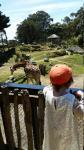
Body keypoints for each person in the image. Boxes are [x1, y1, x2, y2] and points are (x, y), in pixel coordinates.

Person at [42, 64, 84, 150]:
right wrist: (81, 97)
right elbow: (81, 113)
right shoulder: (72, 100)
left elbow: (46, 88)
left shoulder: (47, 93)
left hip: (52, 139)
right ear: (69, 81)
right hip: (67, 142)